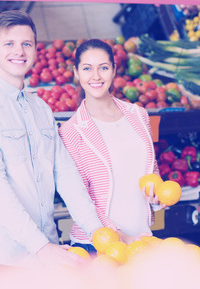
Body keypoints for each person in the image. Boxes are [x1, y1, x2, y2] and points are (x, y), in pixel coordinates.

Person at [0, 11, 104, 280]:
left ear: (35, 49)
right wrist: (41, 247)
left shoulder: (41, 109)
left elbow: (65, 174)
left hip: (47, 252)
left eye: (26, 44)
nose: (19, 51)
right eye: (9, 44)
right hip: (4, 256)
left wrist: (97, 231)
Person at [58, 39, 165, 252]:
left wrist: (157, 196)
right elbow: (79, 198)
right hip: (99, 244)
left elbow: (150, 169)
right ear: (76, 73)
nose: (96, 76)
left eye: (103, 68)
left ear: (114, 70)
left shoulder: (139, 115)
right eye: (87, 69)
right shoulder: (72, 131)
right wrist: (120, 236)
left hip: (142, 238)